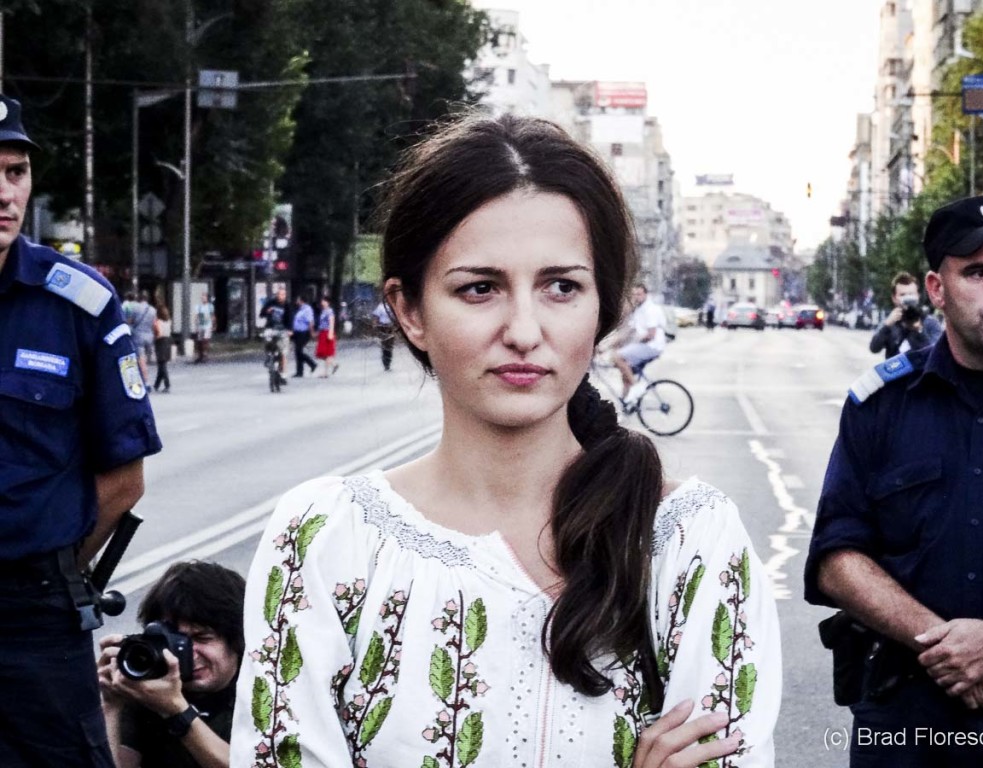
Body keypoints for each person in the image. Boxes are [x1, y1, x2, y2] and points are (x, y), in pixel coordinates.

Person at [231, 113, 780, 767]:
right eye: (481, 288)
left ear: (603, 306)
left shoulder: (689, 543)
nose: (524, 329)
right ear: (409, 310)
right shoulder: (323, 541)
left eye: (561, 287)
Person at [805, 193, 983, 766]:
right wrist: (946, 646)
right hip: (906, 717)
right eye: (979, 272)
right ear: (935, 289)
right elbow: (836, 557)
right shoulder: (881, 405)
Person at [0, 94, 162, 766]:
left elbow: (123, 482)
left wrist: (47, 557)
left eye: (14, 172)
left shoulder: (78, 302)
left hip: (33, 618)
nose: (4, 192)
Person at [97, 560, 245, 768]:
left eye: (202, 638)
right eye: (176, 641)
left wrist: (176, 711)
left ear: (237, 639)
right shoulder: (148, 688)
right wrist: (110, 705)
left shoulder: (265, 689)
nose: (188, 653)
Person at [868, 271, 943, 358]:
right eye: (902, 295)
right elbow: (874, 348)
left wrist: (919, 331)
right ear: (894, 298)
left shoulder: (930, 322)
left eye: (911, 294)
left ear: (918, 296)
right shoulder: (891, 321)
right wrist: (887, 326)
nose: (908, 299)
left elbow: (936, 355)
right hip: (897, 370)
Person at [612, 283, 667, 402]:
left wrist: (634, 342)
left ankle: (637, 387)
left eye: (639, 294)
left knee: (617, 357)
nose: (636, 297)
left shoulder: (650, 309)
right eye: (634, 294)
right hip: (646, 345)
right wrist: (609, 345)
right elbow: (628, 331)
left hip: (652, 346)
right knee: (625, 372)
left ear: (646, 294)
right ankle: (626, 404)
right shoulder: (639, 309)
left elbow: (650, 335)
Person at [259, 288, 291, 384]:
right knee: (267, 339)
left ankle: (283, 375)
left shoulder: (287, 305)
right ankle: (268, 357)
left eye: (283, 294)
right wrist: (266, 311)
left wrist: (290, 330)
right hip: (271, 327)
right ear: (277, 295)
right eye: (280, 294)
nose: (282, 296)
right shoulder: (270, 303)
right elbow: (261, 314)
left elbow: (290, 318)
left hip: (282, 329)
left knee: (283, 352)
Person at [131, 290, 157, 390]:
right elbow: (154, 324)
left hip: (138, 336)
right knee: (146, 359)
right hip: (149, 335)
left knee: (141, 359)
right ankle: (145, 377)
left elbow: (130, 321)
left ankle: (146, 381)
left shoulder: (135, 308)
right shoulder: (153, 310)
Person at [291, 294, 317, 378]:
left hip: (304, 333)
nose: (296, 301)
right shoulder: (300, 309)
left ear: (301, 300)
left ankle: (312, 364)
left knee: (298, 351)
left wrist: (312, 332)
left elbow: (310, 322)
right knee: (298, 352)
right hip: (297, 333)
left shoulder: (307, 309)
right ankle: (299, 371)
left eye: (298, 299)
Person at [314, 295, 338, 377]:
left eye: (324, 301)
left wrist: (330, 333)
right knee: (322, 353)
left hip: (327, 332)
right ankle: (334, 364)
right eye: (322, 301)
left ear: (328, 302)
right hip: (322, 332)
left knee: (327, 353)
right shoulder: (323, 311)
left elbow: (331, 321)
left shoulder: (329, 311)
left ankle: (325, 372)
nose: (322, 302)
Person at [153, 303, 172, 393]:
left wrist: (155, 338)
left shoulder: (158, 322)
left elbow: (159, 333)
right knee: (162, 364)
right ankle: (156, 384)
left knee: (162, 364)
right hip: (167, 341)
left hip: (161, 342)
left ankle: (167, 384)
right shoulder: (168, 321)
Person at [372, 298, 395, 371]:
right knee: (384, 346)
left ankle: (389, 362)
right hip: (383, 327)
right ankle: (385, 364)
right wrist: (375, 326)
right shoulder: (380, 307)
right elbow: (376, 317)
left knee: (390, 346)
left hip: (390, 327)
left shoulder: (391, 306)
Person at [194, 292, 215, 363]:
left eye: (204, 297)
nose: (203, 298)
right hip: (200, 325)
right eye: (202, 297)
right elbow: (196, 316)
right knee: (199, 341)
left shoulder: (210, 306)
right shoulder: (198, 306)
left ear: (207, 298)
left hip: (207, 325)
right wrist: (196, 325)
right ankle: (200, 355)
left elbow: (212, 316)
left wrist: (214, 324)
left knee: (205, 340)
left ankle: (205, 354)